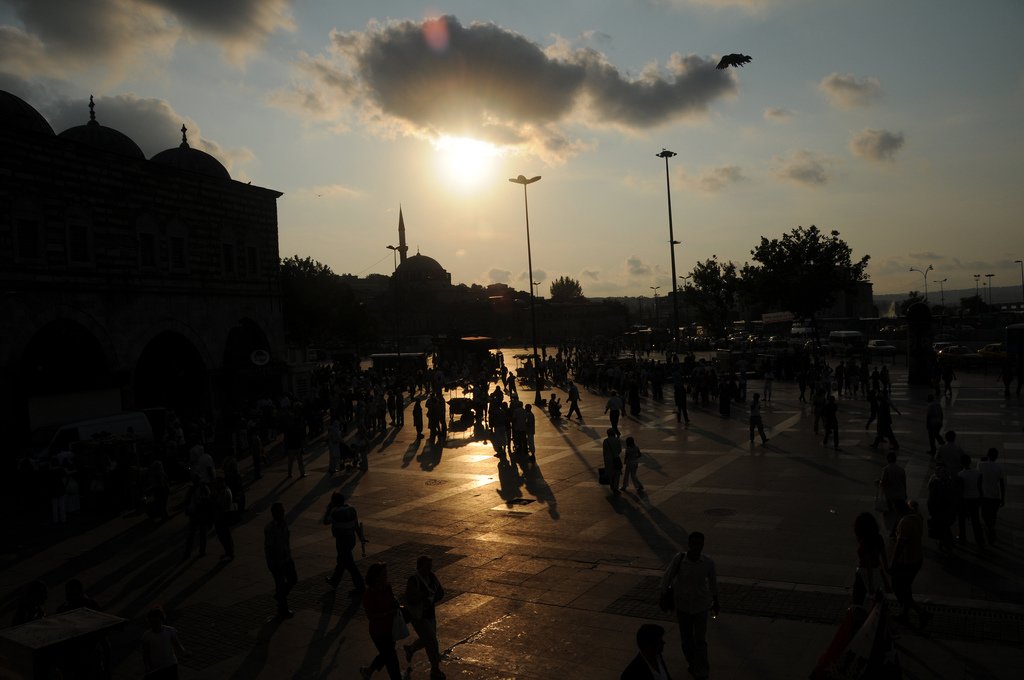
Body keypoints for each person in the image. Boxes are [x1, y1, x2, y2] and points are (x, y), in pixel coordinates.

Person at [659, 532, 718, 680]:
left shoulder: (708, 563)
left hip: (700, 605)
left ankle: (702, 669)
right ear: (689, 544)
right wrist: (663, 594)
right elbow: (668, 576)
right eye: (694, 544)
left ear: (703, 545)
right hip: (683, 606)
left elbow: (713, 584)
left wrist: (716, 601)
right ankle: (692, 663)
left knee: (700, 640)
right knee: (686, 639)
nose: (696, 547)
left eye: (699, 544)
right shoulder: (679, 559)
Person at [403, 555, 446, 680]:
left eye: (430, 567)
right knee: (432, 641)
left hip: (430, 614)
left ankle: (410, 649)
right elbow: (411, 598)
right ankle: (435, 669)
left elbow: (440, 593)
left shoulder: (432, 577)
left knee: (428, 639)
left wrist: (432, 599)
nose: (429, 569)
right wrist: (424, 597)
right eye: (427, 567)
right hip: (418, 617)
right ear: (419, 567)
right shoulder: (413, 580)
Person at [890, 500, 931, 629]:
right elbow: (913, 505)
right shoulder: (917, 516)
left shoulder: (905, 522)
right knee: (906, 588)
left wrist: (893, 562)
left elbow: (900, 544)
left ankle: (921, 612)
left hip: (907, 561)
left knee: (899, 588)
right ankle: (904, 613)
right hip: (917, 558)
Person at [360, 562, 404, 680]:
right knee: (391, 659)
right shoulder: (369, 594)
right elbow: (371, 616)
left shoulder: (387, 587)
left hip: (390, 628)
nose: (386, 576)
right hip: (379, 632)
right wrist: (387, 613)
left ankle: (368, 671)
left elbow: (392, 600)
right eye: (384, 574)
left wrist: (397, 604)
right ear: (376, 576)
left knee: (386, 654)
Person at [324, 492, 367, 594]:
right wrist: (361, 537)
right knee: (342, 560)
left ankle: (360, 586)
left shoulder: (335, 512)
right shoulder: (351, 509)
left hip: (342, 540)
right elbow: (356, 525)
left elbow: (326, 521)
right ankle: (334, 581)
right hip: (351, 539)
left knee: (349, 564)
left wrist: (328, 508)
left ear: (334, 502)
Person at [264, 501, 297, 618]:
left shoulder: (284, 524)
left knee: (293, 579)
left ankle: (280, 595)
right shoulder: (270, 528)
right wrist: (275, 561)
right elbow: (270, 547)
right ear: (274, 513)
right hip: (277, 562)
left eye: (283, 510)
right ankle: (282, 610)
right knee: (281, 584)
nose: (283, 512)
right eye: (280, 511)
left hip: (287, 558)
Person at [852, 512, 890, 605]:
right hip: (877, 570)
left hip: (863, 573)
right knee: (878, 600)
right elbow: (883, 558)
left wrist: (870, 584)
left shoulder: (865, 542)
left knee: (857, 600)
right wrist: (886, 579)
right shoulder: (879, 538)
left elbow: (868, 565)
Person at [142, 606, 187, 680]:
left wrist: (183, 652)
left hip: (171, 663)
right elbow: (145, 653)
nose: (155, 624)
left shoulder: (170, 631)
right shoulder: (147, 636)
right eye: (153, 622)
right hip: (157, 666)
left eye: (157, 621)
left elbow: (177, 644)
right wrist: (147, 666)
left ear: (162, 620)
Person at [978, 447, 1007, 545]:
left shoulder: (981, 465)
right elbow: (1002, 484)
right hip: (996, 496)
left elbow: (979, 480)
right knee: (993, 515)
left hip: (984, 495)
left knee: (984, 515)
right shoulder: (999, 467)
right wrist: (1003, 497)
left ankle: (990, 529)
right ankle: (991, 529)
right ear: (997, 456)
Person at [927, 463, 957, 554]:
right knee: (945, 527)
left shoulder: (934, 483)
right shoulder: (949, 482)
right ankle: (946, 544)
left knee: (941, 527)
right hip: (947, 510)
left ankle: (945, 543)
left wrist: (930, 510)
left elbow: (931, 498)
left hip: (938, 510)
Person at [956, 454, 985, 549]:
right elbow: (980, 487)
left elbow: (960, 490)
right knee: (975, 520)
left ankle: (962, 537)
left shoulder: (960, 474)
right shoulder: (977, 473)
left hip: (965, 499)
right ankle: (980, 540)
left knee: (961, 520)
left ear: (961, 463)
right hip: (975, 498)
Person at [878, 452, 907, 538]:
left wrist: (878, 482)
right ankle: (896, 530)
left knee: (891, 513)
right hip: (900, 494)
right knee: (899, 513)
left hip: (890, 495)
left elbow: (883, 482)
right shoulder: (901, 469)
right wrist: (905, 493)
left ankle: (893, 530)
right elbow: (904, 483)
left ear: (888, 459)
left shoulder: (886, 469)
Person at [182, 475, 212, 560]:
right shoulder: (193, 489)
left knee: (199, 534)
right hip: (196, 514)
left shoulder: (202, 488)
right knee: (195, 535)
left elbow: (208, 499)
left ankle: (199, 551)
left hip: (200, 514)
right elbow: (186, 501)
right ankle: (194, 552)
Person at [602, 429, 623, 496]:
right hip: (616, 458)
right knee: (617, 474)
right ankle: (615, 488)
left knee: (610, 473)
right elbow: (620, 450)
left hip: (608, 459)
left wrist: (605, 460)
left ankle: (612, 486)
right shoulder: (617, 440)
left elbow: (604, 452)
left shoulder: (605, 441)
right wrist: (616, 454)